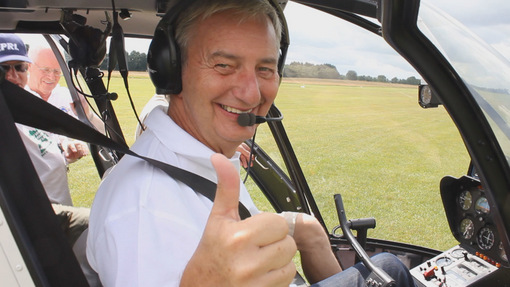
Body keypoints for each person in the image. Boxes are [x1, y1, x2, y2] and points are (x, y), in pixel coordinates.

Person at [86, 1, 416, 286]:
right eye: (224, 66)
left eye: (264, 69)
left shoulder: (196, 155)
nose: (251, 94)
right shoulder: (144, 209)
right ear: (171, 71)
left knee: (387, 267)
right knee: (391, 271)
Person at [0, 33, 89, 247]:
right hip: (34, 217)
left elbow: (39, 150)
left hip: (57, 208)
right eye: (3, 69)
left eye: (19, 67)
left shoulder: (29, 105)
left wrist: (65, 151)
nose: (13, 76)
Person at [27, 46, 105, 133]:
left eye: (57, 71)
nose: (51, 77)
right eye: (45, 70)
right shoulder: (17, 96)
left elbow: (104, 132)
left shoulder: (68, 97)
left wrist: (88, 115)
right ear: (29, 66)